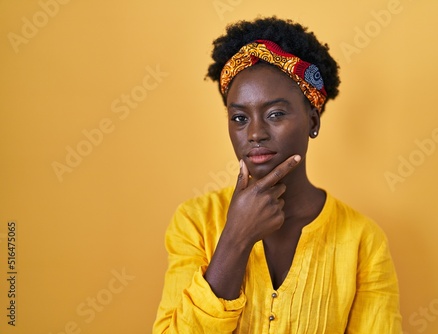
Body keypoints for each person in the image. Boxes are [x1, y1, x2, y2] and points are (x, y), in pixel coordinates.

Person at [153, 16, 402, 333]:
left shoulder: (363, 241)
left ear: (312, 121)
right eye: (240, 117)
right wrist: (235, 238)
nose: (255, 133)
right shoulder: (195, 222)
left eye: (275, 114)